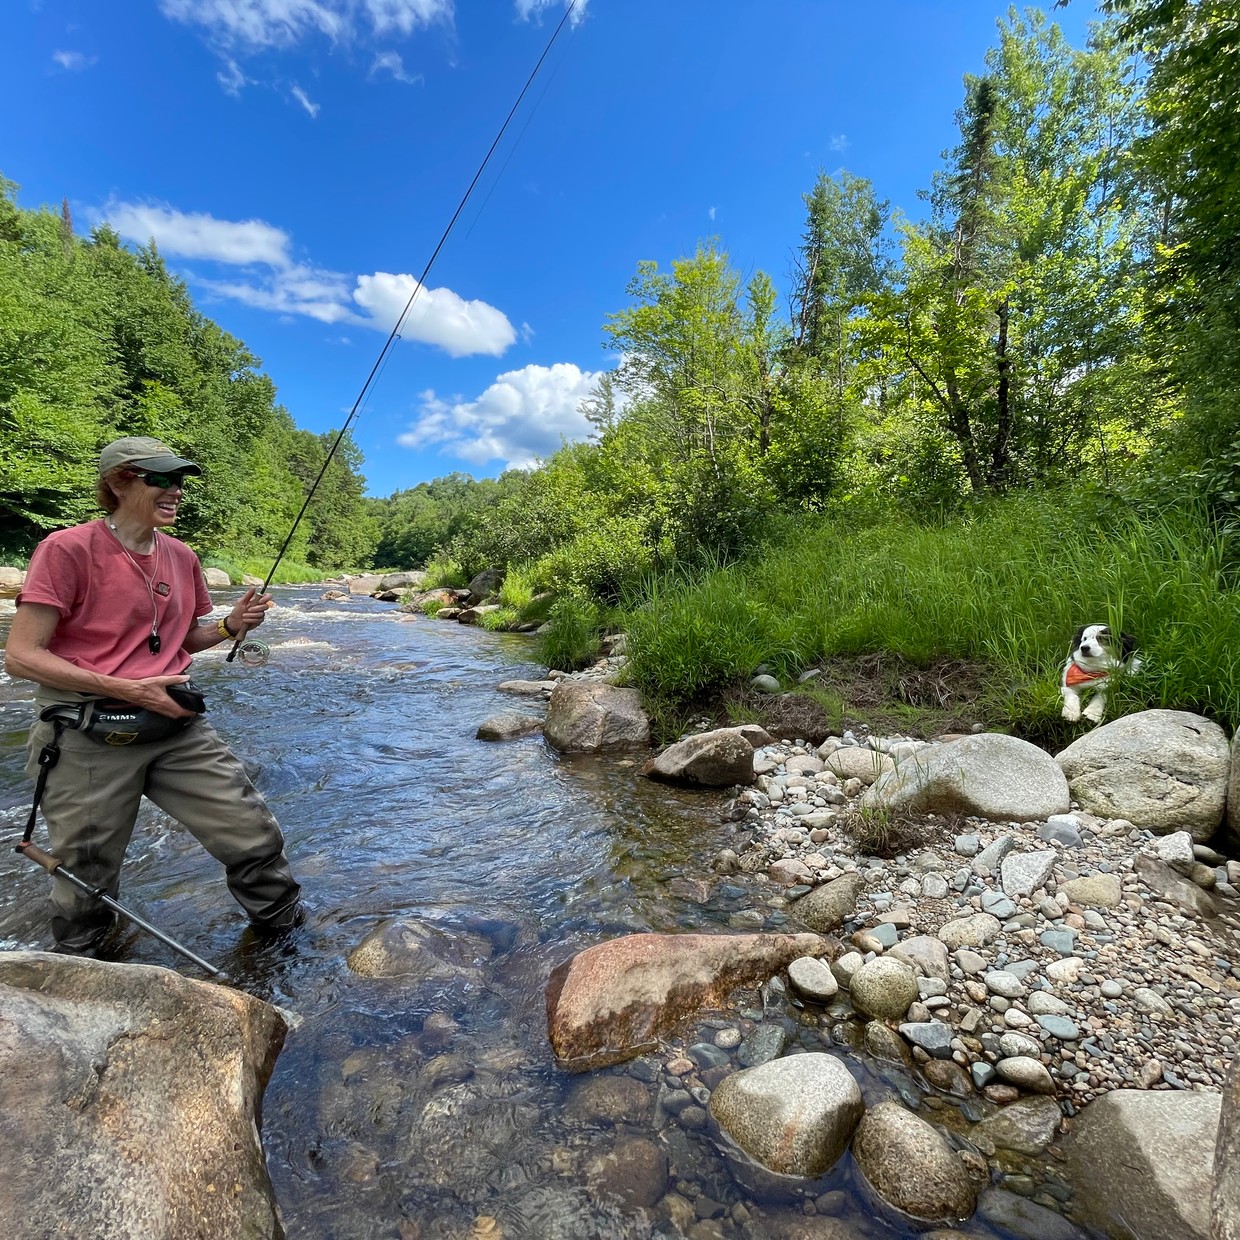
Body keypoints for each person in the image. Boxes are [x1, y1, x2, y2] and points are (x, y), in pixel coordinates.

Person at [4, 436, 303, 957]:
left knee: (253, 837)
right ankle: (79, 969)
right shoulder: (67, 549)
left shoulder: (183, 557)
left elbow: (184, 640)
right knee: (85, 880)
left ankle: (285, 943)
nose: (176, 490)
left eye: (179, 480)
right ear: (118, 483)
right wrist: (125, 687)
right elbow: (21, 657)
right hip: (85, 731)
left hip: (175, 725)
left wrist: (231, 625)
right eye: (160, 479)